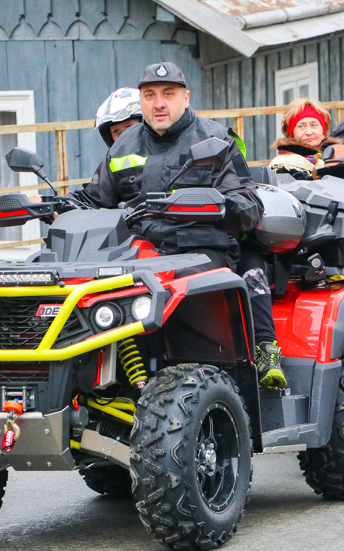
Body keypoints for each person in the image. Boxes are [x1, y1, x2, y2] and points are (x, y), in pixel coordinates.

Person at [82, 62, 286, 389]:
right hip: (140, 253)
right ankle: (105, 382)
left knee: (160, 289)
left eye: (168, 94)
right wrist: (52, 206)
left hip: (203, 251)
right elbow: (94, 198)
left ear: (185, 97)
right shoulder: (124, 145)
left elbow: (249, 206)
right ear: (142, 100)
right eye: (150, 95)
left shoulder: (216, 139)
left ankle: (243, 361)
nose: (159, 103)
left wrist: (214, 204)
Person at [269, 98, 344, 180]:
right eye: (301, 126)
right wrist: (343, 172)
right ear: (291, 134)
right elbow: (301, 186)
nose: (309, 132)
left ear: (323, 132)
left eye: (314, 125)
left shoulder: (339, 155)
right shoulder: (282, 164)